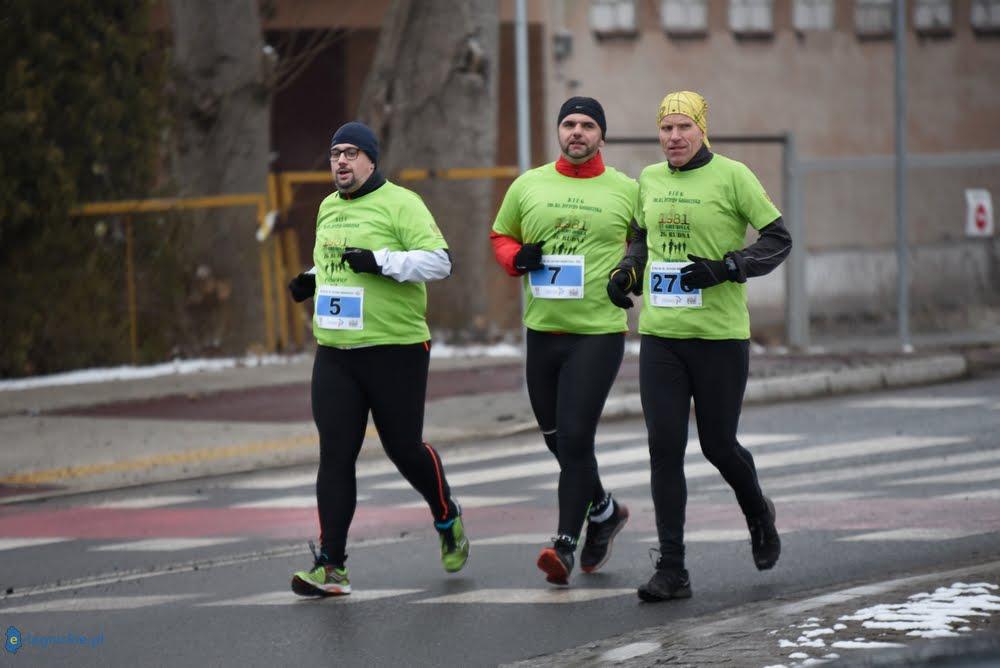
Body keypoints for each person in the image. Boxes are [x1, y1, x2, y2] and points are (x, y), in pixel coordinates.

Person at [611, 91, 792, 602]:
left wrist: (728, 267)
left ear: (701, 130)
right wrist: (627, 271)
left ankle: (758, 512)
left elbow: (778, 239)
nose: (673, 138)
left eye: (682, 128)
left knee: (717, 445)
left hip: (718, 338)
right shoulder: (649, 179)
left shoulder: (733, 176)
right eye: (665, 129)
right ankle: (673, 569)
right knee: (664, 449)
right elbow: (641, 240)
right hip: (663, 338)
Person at [286, 121, 469, 596]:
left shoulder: (402, 204)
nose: (340, 162)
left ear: (370, 160)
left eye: (350, 153)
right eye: (334, 154)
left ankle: (446, 515)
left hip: (396, 349)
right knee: (335, 455)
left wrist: (382, 261)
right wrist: (309, 278)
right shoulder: (328, 207)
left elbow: (440, 261)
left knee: (403, 448)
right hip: (336, 352)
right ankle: (332, 566)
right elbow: (335, 261)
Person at [490, 97, 639, 585]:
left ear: (602, 135)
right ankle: (605, 510)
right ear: (559, 131)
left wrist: (629, 273)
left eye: (588, 125)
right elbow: (500, 236)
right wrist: (518, 258)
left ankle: (564, 544)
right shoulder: (528, 185)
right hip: (543, 333)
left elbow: (644, 244)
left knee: (576, 437)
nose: (577, 132)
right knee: (557, 440)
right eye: (569, 124)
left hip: (596, 333)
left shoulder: (626, 190)